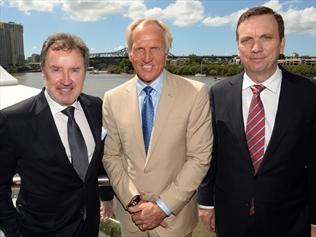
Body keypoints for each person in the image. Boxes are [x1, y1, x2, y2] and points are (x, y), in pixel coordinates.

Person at [198, 6, 316, 237]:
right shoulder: (218, 93)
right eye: (247, 40)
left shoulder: (309, 94)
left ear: (282, 43)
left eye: (266, 37)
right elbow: (211, 152)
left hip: (291, 220)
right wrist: (205, 202)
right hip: (231, 218)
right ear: (238, 47)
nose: (256, 48)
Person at [102, 19, 213, 237]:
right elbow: (111, 156)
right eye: (139, 49)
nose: (146, 57)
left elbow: (199, 157)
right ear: (129, 53)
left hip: (174, 223)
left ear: (167, 51)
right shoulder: (111, 98)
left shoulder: (195, 93)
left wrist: (162, 207)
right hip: (132, 220)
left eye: (155, 48)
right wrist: (133, 201)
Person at [0, 33, 113, 237]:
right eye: (56, 70)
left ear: (85, 72)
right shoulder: (14, 120)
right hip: (39, 231)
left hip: (89, 228)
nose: (66, 80)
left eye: (75, 70)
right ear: (43, 71)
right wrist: (14, 231)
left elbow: (100, 160)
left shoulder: (96, 107)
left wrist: (107, 196)